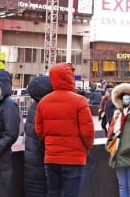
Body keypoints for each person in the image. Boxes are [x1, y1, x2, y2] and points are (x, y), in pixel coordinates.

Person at [35, 62, 95, 197]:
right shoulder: (80, 101)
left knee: (53, 193)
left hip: (51, 157)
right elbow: (88, 132)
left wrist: (51, 143)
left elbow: (39, 130)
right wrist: (85, 148)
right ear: (69, 78)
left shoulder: (44, 101)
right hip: (74, 158)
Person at [25, 76, 53, 197]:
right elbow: (42, 139)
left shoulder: (34, 106)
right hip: (42, 165)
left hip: (31, 165)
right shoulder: (45, 109)